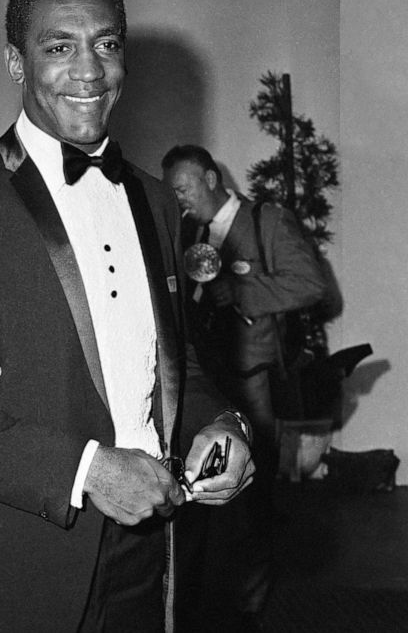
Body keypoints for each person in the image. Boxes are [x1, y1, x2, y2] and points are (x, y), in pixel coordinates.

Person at [0, 0, 256, 633]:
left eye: (106, 44)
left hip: (149, 561)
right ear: (16, 62)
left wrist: (225, 424)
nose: (89, 69)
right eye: (59, 46)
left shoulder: (159, 203)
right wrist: (87, 470)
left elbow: (172, 365)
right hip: (11, 564)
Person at [161, 144, 328, 629]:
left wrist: (242, 291)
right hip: (199, 388)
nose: (177, 198)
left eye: (183, 187)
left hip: (252, 383)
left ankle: (248, 612)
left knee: (250, 504)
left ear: (211, 178)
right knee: (200, 502)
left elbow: (312, 285)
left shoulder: (266, 222)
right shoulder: (187, 233)